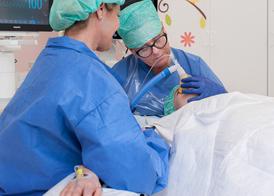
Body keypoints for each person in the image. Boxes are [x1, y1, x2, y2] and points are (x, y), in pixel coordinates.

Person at [0, 0, 170, 195]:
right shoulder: (92, 80)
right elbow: (139, 174)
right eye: (118, 16)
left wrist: (85, 171)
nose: (117, 27)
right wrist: (154, 140)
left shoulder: (49, 60)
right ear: (100, 10)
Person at [112, 0, 227, 117]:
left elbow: (227, 110)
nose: (156, 51)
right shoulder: (120, 75)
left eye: (158, 39)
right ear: (132, 51)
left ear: (163, 29)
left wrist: (220, 94)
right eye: (144, 48)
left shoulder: (193, 64)